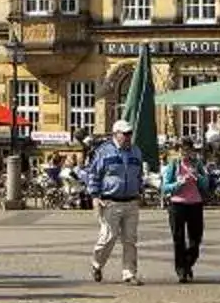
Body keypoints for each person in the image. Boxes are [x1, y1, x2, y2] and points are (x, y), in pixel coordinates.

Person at [86, 119, 148, 284]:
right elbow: (93, 174)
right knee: (108, 237)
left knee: (130, 240)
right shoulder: (104, 152)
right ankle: (97, 264)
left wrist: (140, 191)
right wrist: (95, 196)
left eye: (130, 133)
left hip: (131, 201)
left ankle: (129, 273)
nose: (128, 137)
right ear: (116, 134)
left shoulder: (136, 151)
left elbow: (139, 174)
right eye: (125, 134)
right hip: (110, 201)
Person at [161, 144, 211, 283]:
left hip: (195, 203)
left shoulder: (197, 164)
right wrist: (178, 184)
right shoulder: (174, 165)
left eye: (188, 150)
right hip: (177, 204)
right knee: (179, 239)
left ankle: (188, 262)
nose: (185, 153)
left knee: (196, 238)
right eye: (182, 150)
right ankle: (181, 270)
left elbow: (206, 183)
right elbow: (165, 187)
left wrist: (198, 177)